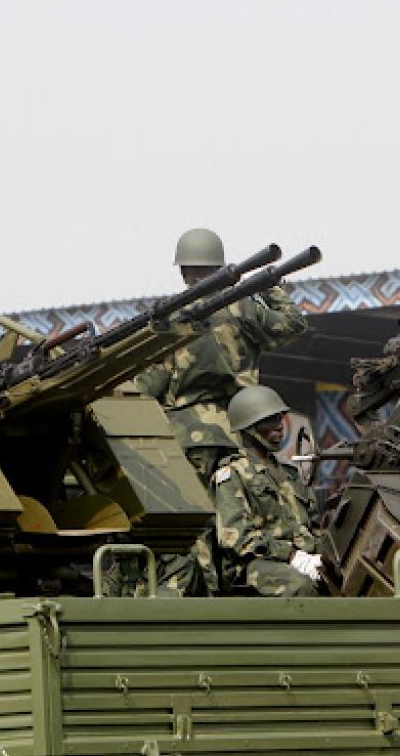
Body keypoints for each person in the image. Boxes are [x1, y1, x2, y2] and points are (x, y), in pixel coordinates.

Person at [136, 228, 308, 483]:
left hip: (191, 435)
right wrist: (269, 286)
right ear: (220, 267)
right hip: (244, 430)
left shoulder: (170, 320)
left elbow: (147, 387)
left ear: (183, 271)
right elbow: (294, 323)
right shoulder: (242, 308)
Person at [213, 385, 321, 597]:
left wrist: (322, 556)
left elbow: (315, 526)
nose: (279, 426)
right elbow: (236, 538)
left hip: (302, 559)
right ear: (250, 427)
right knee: (300, 586)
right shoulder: (232, 475)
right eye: (270, 420)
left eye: (280, 419)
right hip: (253, 564)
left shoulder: (290, 474)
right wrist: (291, 555)